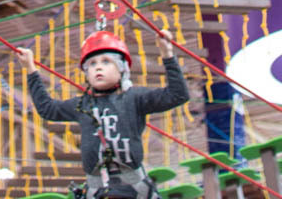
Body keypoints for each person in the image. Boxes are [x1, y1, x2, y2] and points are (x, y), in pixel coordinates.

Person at [23, 28, 189, 199]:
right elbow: (48, 109)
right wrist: (30, 69)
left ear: (122, 68)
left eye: (106, 61)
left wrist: (167, 54)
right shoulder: (82, 104)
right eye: (92, 64)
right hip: (98, 191)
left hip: (134, 189)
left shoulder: (135, 98)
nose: (98, 68)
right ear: (86, 73)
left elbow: (178, 95)